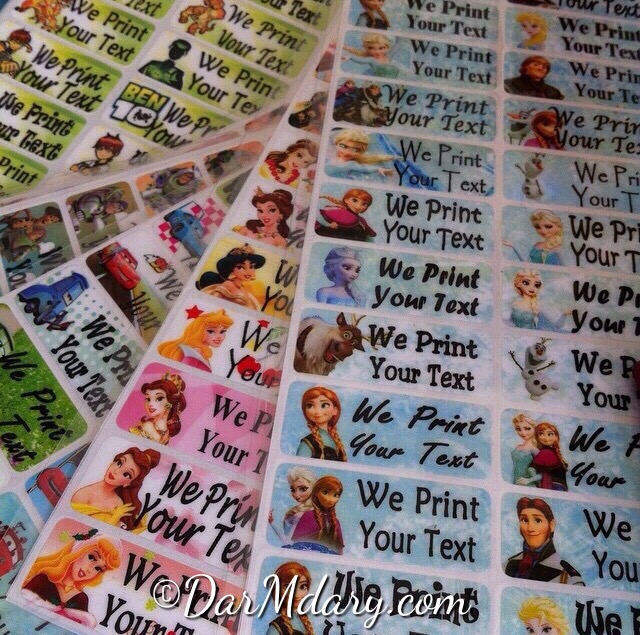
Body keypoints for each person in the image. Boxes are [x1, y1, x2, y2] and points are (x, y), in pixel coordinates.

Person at [21, 531, 121, 628]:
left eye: (98, 568)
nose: (90, 569)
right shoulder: (41, 580)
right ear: (79, 549)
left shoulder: (82, 599)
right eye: (91, 557)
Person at [70, 447, 160, 531]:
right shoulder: (84, 494)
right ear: (112, 462)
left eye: (126, 474)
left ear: (128, 483)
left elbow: (109, 536)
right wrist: (114, 518)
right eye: (119, 463)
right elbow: (71, 527)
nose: (116, 471)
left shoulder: (119, 504)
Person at [504, 496, 584, 584]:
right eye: (525, 520)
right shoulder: (508, 564)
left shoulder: (569, 578)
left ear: (551, 525)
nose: (530, 528)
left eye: (538, 520)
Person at [158, 310, 233, 372]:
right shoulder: (194, 352)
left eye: (222, 331)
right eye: (211, 331)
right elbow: (181, 374)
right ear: (199, 331)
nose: (219, 336)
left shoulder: (201, 352)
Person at [196, 245, 266, 310]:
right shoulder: (228, 284)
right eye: (240, 267)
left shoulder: (243, 289)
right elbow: (210, 303)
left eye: (251, 266)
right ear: (231, 269)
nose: (248, 271)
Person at [291, 476, 344, 555]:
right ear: (316, 493)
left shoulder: (336, 522)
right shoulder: (308, 516)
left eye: (336, 495)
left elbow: (340, 552)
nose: (331, 499)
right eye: (325, 493)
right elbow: (296, 545)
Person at [128, 374, 187, 443]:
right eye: (148, 399)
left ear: (170, 403)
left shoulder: (149, 426)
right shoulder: (164, 431)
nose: (150, 404)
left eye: (159, 399)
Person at [297, 387, 347, 461]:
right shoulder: (307, 443)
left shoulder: (336, 441)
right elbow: (299, 466)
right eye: (310, 405)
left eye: (324, 405)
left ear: (335, 410)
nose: (317, 411)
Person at [325, 129, 396, 181]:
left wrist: (378, 169)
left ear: (362, 153)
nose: (347, 152)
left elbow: (364, 168)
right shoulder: (329, 154)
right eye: (343, 146)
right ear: (336, 144)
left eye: (355, 150)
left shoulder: (351, 164)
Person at [266, 562, 315, 635]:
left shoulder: (304, 623)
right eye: (288, 587)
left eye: (302, 586)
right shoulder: (276, 628)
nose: (296, 594)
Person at [269, 467, 317, 541]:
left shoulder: (307, 514)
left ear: (314, 487)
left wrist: (272, 523)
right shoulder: (299, 511)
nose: (296, 495)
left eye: (303, 489)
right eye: (293, 490)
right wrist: (272, 522)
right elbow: (287, 539)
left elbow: (288, 541)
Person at [520, 422, 568, 491]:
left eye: (550, 434)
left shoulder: (549, 452)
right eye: (541, 434)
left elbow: (533, 470)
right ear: (537, 437)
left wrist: (533, 480)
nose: (546, 438)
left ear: (556, 437)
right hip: (554, 487)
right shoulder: (545, 452)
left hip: (555, 487)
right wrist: (531, 480)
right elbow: (533, 470)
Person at [511, 413, 538, 486]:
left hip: (529, 485)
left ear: (534, 428)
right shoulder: (518, 447)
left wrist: (529, 480)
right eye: (518, 429)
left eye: (527, 428)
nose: (523, 433)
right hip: (515, 483)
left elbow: (543, 474)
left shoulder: (534, 450)